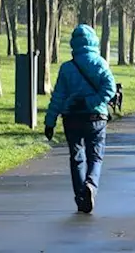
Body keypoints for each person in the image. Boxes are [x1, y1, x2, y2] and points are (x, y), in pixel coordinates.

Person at [44, 23, 117, 214]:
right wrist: (92, 101)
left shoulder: (67, 68)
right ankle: (91, 185)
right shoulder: (100, 63)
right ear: (94, 41)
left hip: (72, 118)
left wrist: (49, 122)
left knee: (76, 158)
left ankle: (80, 197)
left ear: (74, 44)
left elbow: (58, 96)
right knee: (95, 156)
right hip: (96, 117)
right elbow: (110, 88)